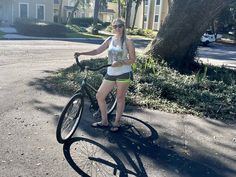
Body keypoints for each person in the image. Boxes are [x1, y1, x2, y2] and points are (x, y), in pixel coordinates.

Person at [74, 18, 136, 132]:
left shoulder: (128, 41)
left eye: (120, 26)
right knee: (99, 96)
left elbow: (133, 59)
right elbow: (97, 51)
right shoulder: (110, 40)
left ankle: (117, 122)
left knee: (120, 97)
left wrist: (121, 62)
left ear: (123, 27)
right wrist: (81, 53)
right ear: (112, 27)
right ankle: (104, 121)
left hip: (123, 73)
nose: (118, 28)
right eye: (115, 26)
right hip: (111, 72)